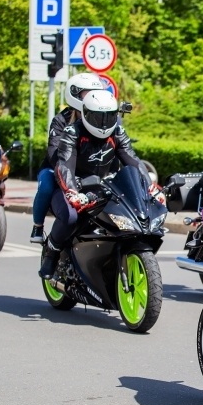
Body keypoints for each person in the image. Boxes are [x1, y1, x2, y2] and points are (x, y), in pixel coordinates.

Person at [39, 90, 150, 278]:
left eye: (109, 116)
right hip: (73, 188)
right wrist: (72, 193)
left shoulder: (118, 132)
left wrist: (150, 187)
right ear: (86, 113)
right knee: (70, 217)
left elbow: (133, 161)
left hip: (104, 187)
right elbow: (64, 166)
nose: (104, 122)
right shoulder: (72, 132)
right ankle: (52, 252)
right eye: (98, 117)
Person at [29, 73, 105, 244]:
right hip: (56, 167)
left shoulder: (101, 118)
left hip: (86, 168)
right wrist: (66, 172)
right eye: (87, 93)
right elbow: (53, 151)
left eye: (95, 93)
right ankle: (37, 226)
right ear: (75, 95)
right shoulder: (60, 120)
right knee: (46, 186)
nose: (92, 97)